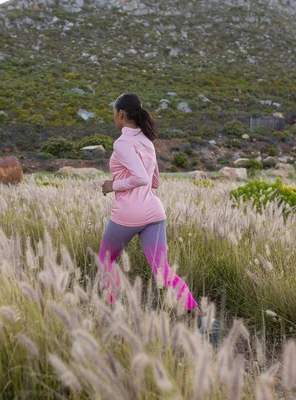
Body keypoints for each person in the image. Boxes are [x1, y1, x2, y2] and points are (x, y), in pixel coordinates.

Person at [99, 93, 219, 345]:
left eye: (114, 113)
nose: (114, 118)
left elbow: (142, 178)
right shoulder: (147, 142)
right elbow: (154, 181)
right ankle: (203, 322)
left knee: (105, 263)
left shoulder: (122, 143)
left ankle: (112, 319)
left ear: (121, 114)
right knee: (163, 272)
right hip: (154, 212)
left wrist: (113, 185)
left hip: (128, 214)